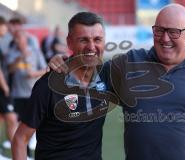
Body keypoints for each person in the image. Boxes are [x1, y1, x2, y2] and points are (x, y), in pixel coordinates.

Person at [49, 3, 185, 160]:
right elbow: (87, 72)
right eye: (159, 30)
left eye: (174, 32)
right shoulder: (130, 63)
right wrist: (65, 60)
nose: (165, 38)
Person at [12, 12, 118, 160]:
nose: (91, 46)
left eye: (97, 39)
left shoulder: (107, 75)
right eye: (83, 40)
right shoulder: (48, 85)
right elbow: (20, 139)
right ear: (69, 43)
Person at [0, 16, 18, 151]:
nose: (5, 29)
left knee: (11, 119)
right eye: (4, 25)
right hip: (1, 88)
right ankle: (17, 151)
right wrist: (5, 86)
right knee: (11, 118)